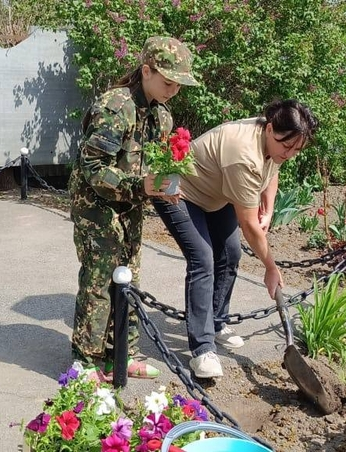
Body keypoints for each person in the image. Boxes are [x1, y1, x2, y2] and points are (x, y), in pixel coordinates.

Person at [153, 99, 319, 378]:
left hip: (216, 194)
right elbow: (248, 224)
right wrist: (270, 267)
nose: (289, 153)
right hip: (180, 191)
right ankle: (203, 349)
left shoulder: (276, 141)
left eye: (296, 149)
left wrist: (270, 205)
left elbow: (273, 167)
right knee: (202, 259)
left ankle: (216, 322)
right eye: (286, 146)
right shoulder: (243, 153)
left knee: (230, 253)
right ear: (269, 129)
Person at [69, 36, 199, 380]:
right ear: (146, 71)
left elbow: (151, 164)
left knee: (129, 277)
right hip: (95, 205)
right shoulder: (117, 106)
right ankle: (85, 360)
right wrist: (139, 186)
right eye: (168, 82)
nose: (173, 90)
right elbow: (92, 168)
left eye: (178, 85)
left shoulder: (161, 116)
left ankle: (122, 356)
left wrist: (166, 184)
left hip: (130, 204)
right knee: (100, 280)